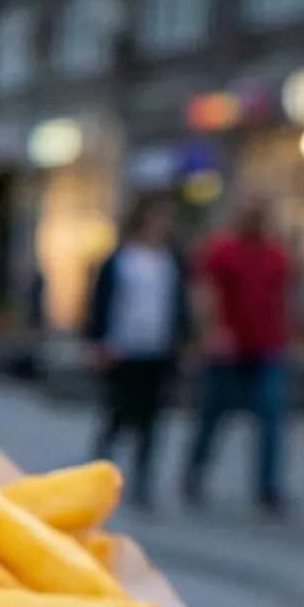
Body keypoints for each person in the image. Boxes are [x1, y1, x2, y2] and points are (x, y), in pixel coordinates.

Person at [181, 194, 293, 515]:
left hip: (267, 346)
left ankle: (268, 487)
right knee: (212, 416)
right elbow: (204, 292)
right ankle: (195, 473)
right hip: (227, 350)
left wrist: (290, 333)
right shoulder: (222, 250)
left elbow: (284, 297)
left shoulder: (276, 254)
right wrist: (211, 332)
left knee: (271, 416)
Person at [82, 193, 187, 508]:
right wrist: (99, 341)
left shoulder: (169, 260)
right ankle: (97, 475)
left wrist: (181, 341)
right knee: (117, 415)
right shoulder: (120, 259)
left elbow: (177, 305)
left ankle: (143, 480)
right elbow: (101, 302)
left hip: (157, 348)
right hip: (123, 348)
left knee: (152, 418)